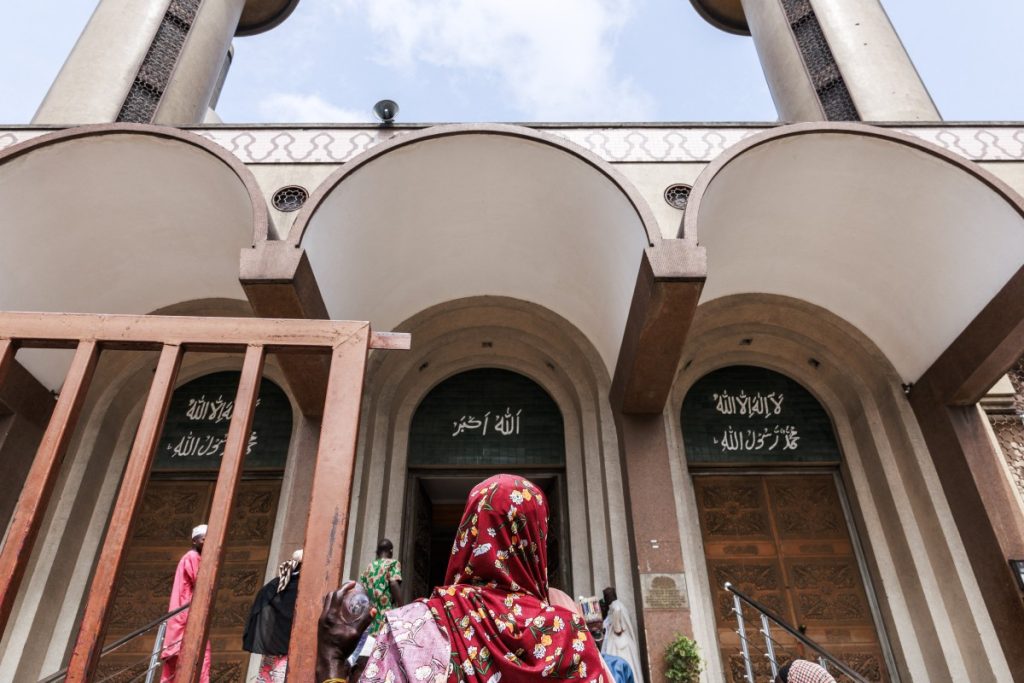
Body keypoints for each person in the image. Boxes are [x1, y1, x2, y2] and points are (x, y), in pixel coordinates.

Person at [317, 474, 609, 682]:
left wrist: (331, 662)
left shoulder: (416, 626)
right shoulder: (570, 637)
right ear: (537, 541)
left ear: (468, 534)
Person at [160, 524, 212, 683]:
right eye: (204, 539)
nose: (207, 542)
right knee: (197, 653)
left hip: (183, 613)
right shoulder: (192, 557)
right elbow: (200, 582)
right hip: (186, 613)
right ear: (195, 541)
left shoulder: (192, 557)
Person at [243, 549, 303, 682]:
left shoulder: (278, 583)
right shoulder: (304, 586)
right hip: (296, 648)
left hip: (273, 646)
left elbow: (261, 604)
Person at [359, 538, 403, 635]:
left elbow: (362, 590)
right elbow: (393, 583)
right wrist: (402, 608)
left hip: (370, 617)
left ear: (377, 552)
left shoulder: (369, 567)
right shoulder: (393, 563)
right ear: (391, 551)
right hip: (386, 615)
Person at [600, 587, 644, 683]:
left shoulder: (615, 606)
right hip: (622, 642)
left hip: (619, 644)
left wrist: (616, 627)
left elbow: (618, 626)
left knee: (618, 667)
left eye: (607, 596)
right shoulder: (618, 605)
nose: (606, 599)